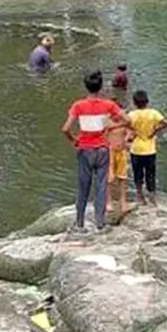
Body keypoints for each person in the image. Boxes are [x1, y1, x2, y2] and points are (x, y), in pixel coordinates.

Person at [61, 71, 127, 231]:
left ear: (86, 86)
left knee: (83, 186)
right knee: (101, 186)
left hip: (85, 149)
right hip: (103, 149)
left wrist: (74, 140)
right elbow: (127, 120)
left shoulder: (78, 105)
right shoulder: (108, 105)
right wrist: (111, 126)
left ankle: (80, 223)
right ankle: (100, 223)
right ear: (100, 86)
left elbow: (65, 128)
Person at [127, 90, 167, 206]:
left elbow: (127, 128)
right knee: (151, 174)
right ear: (147, 101)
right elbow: (166, 123)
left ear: (134, 102)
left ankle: (140, 196)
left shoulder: (131, 115)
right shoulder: (153, 113)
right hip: (150, 150)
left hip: (136, 150)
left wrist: (133, 133)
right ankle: (152, 198)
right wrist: (155, 131)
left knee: (137, 175)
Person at [106, 109, 132, 218]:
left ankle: (123, 201)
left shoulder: (124, 124)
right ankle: (109, 201)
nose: (116, 116)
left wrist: (127, 138)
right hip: (109, 152)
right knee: (108, 179)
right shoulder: (106, 123)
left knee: (122, 177)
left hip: (121, 152)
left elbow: (131, 134)